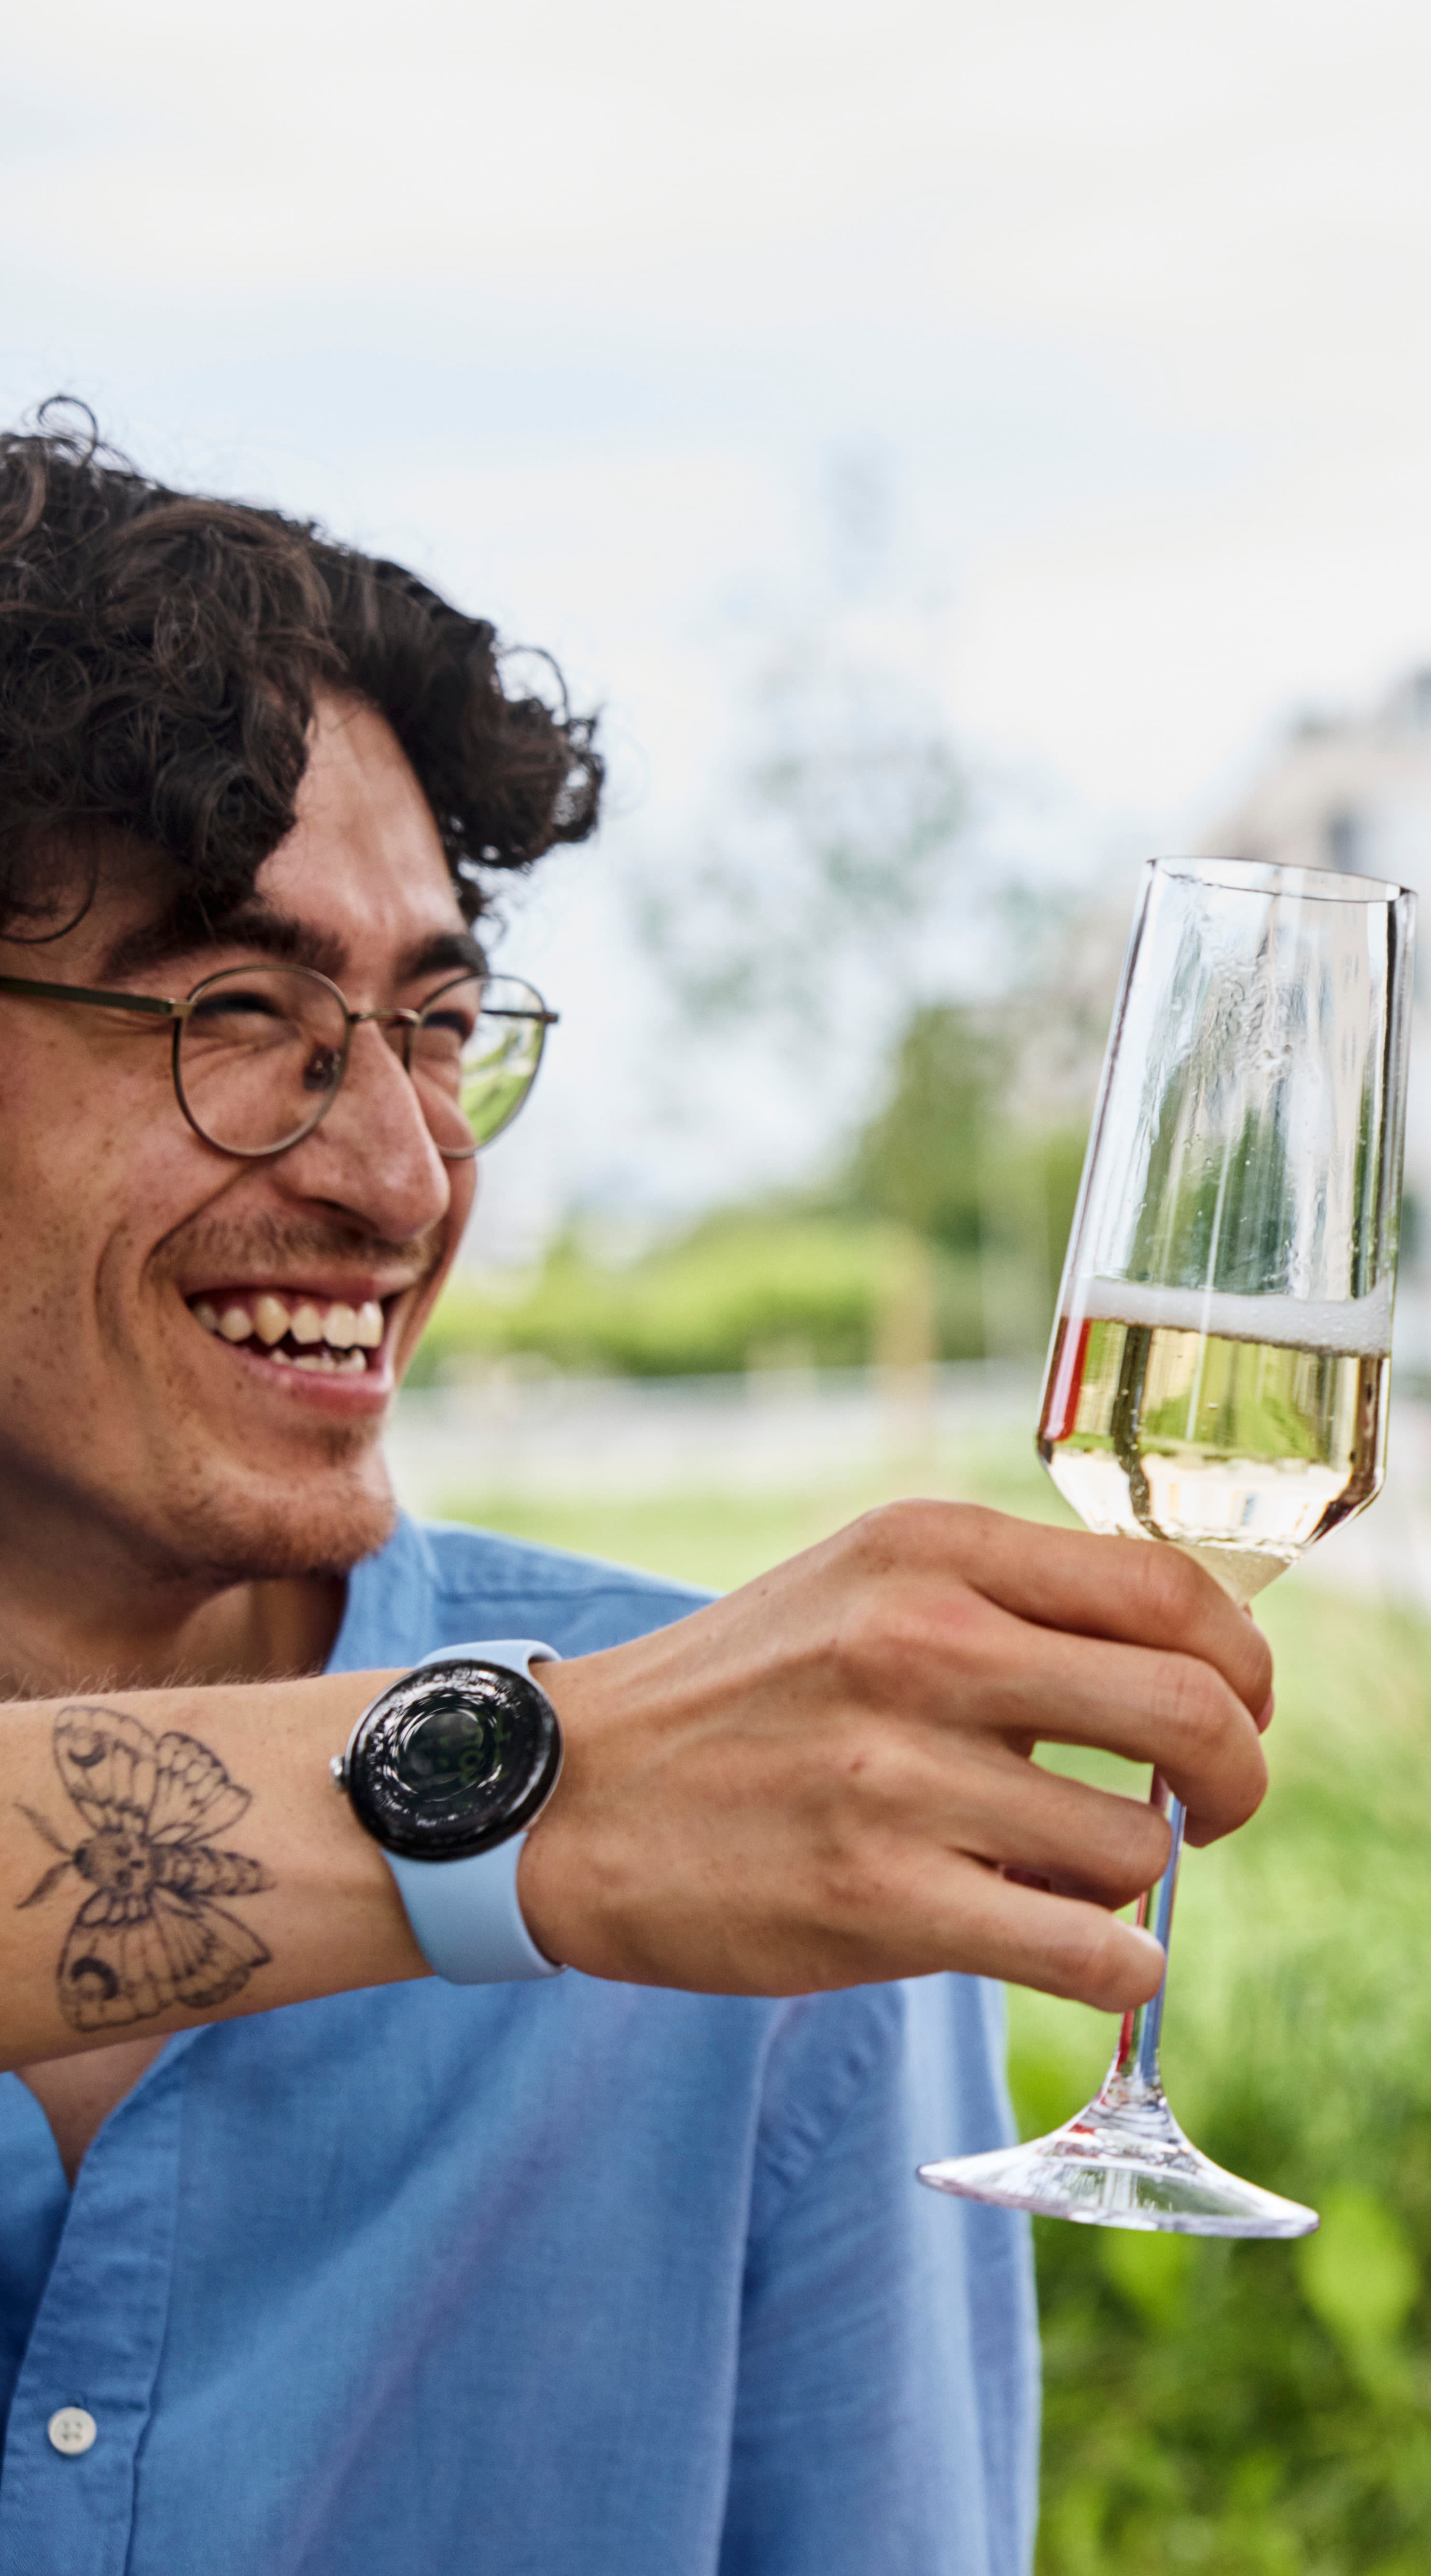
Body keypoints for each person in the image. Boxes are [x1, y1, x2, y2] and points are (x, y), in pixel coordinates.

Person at [0, 411, 1277, 2572]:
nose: (401, 1175)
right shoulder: (692, 1772)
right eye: (238, 1009)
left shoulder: (795, 1866)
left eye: (433, 1023)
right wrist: (529, 1799)